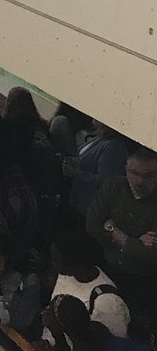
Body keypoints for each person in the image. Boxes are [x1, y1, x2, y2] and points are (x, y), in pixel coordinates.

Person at [86, 145, 157, 312]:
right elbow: (91, 225)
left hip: (141, 280)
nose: (140, 181)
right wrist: (134, 241)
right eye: (135, 173)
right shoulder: (113, 186)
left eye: (148, 175)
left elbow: (151, 254)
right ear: (126, 169)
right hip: (106, 268)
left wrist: (113, 229)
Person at [46, 231, 130, 340]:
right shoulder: (66, 274)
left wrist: (57, 332)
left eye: (57, 262)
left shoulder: (109, 302)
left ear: (75, 264)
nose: (53, 264)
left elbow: (107, 344)